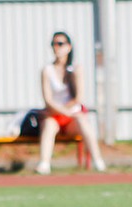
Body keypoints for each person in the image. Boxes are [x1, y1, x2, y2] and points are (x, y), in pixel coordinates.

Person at [35, 31, 105, 175]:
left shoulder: (75, 69)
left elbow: (78, 98)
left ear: (69, 47)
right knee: (48, 125)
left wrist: (67, 112)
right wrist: (60, 111)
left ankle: (98, 161)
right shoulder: (46, 70)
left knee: (82, 120)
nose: (57, 47)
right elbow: (48, 100)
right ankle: (44, 164)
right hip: (54, 115)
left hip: (72, 115)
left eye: (60, 44)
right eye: (54, 44)